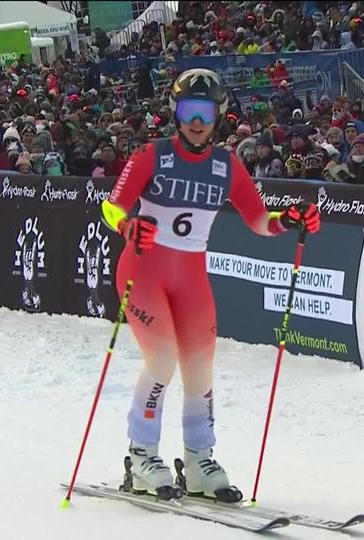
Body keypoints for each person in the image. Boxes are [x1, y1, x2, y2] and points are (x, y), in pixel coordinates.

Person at [100, 68, 321, 502]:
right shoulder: (150, 155)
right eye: (187, 111)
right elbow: (111, 207)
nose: (195, 121)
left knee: (200, 368)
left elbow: (259, 220)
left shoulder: (227, 165)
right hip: (143, 271)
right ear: (175, 114)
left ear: (218, 115)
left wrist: (288, 219)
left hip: (191, 277)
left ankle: (199, 460)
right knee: (162, 359)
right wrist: (128, 226)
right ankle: (141, 454)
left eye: (204, 112)